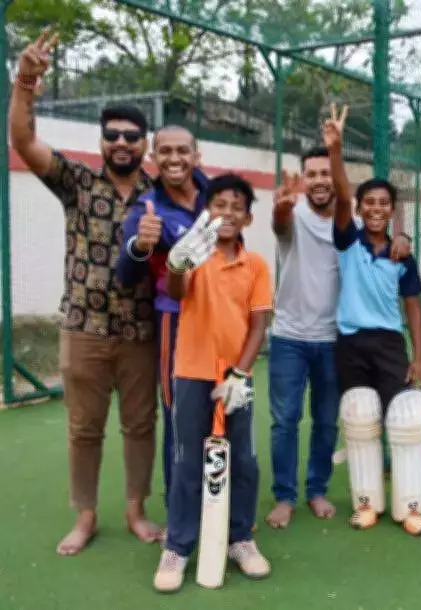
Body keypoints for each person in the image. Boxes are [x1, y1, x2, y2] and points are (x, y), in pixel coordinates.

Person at [10, 28, 162, 555]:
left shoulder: (159, 194)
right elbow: (23, 142)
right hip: (84, 328)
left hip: (142, 332)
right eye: (113, 135)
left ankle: (137, 511)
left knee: (141, 425)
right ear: (101, 141)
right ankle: (87, 515)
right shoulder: (77, 182)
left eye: (131, 136)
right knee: (84, 428)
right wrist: (26, 83)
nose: (122, 142)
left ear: (146, 143)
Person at [266, 148, 412, 529]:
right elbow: (280, 224)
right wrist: (281, 207)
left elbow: (380, 228)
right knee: (285, 420)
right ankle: (284, 496)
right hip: (289, 336)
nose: (318, 181)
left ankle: (317, 490)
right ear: (303, 179)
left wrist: (405, 237)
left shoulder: (352, 228)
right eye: (311, 174)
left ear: (336, 180)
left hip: (335, 339)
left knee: (327, 421)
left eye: (325, 174)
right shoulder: (293, 214)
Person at [153, 173, 272, 592]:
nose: (227, 212)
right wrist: (176, 264)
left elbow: (259, 325)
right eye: (219, 204)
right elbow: (175, 289)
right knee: (186, 460)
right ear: (207, 211)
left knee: (243, 459)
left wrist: (240, 374)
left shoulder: (255, 264)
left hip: (236, 377)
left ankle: (240, 538)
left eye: (236, 206)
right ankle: (179, 545)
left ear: (248, 218)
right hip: (191, 372)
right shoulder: (193, 254)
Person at [322, 104, 421, 537]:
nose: (376, 208)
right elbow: (343, 195)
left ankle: (410, 508)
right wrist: (335, 150)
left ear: (393, 209)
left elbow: (415, 308)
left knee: (407, 417)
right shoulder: (347, 241)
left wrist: (419, 357)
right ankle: (366, 504)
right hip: (350, 343)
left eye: (384, 203)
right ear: (361, 207)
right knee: (360, 415)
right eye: (370, 202)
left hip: (388, 344)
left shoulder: (403, 254)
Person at [117, 125, 208, 507]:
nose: (174, 159)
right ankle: (180, 511)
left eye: (182, 151)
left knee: (224, 409)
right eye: (165, 151)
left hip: (221, 321)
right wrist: (141, 244)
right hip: (176, 321)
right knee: (180, 416)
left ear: (196, 155)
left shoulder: (215, 196)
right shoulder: (147, 208)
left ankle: (221, 506)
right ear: (153, 157)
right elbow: (124, 273)